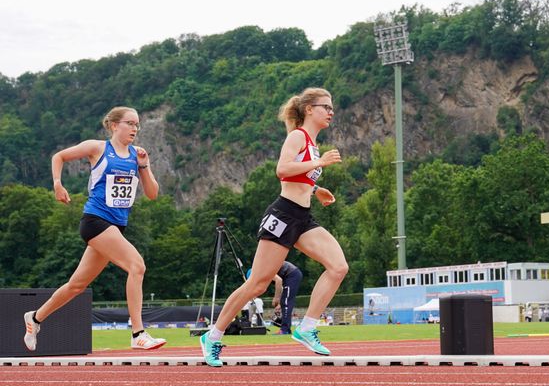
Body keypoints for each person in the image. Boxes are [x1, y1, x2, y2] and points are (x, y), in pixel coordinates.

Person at [200, 87, 348, 367]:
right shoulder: (297, 137)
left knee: (338, 267)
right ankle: (213, 335)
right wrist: (320, 162)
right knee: (257, 284)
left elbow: (297, 176)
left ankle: (306, 327)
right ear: (309, 109)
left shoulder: (312, 144)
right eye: (325, 107)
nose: (331, 112)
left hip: (303, 217)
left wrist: (316, 188)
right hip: (283, 215)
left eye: (331, 107)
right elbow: (282, 169)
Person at [23, 106, 166, 351]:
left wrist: (144, 165)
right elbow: (58, 157)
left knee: (76, 286)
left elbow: (152, 194)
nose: (135, 129)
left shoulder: (136, 155)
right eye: (130, 123)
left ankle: (35, 317)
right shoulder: (98, 148)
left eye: (137, 125)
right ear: (114, 125)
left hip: (115, 227)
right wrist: (57, 184)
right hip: (96, 221)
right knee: (137, 265)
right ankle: (138, 333)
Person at [247, 261, 303, 335]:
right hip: (290, 276)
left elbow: (279, 281)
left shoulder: (263, 271)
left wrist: (276, 298)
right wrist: (280, 303)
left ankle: (284, 330)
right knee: (285, 302)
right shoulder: (262, 272)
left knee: (286, 303)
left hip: (292, 275)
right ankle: (286, 329)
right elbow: (281, 288)